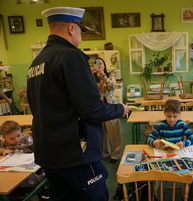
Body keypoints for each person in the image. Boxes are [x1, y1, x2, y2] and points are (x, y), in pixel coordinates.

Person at [26, 7, 131, 201]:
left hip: (49, 153)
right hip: (74, 153)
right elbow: (91, 109)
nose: (81, 37)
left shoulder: (37, 62)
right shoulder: (71, 56)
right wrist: (120, 109)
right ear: (72, 29)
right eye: (81, 31)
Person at [0, 120, 47, 199]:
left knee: (29, 179)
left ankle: (41, 178)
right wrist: (3, 150)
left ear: (21, 131)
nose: (16, 140)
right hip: (12, 166)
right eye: (11, 138)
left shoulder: (27, 138)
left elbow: (37, 150)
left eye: (18, 135)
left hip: (30, 165)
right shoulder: (2, 141)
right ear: (4, 137)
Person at [93, 58, 122, 163]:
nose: (98, 65)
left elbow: (112, 87)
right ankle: (105, 153)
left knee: (113, 131)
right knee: (102, 132)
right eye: (96, 63)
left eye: (100, 63)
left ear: (104, 65)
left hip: (110, 107)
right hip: (99, 107)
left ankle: (116, 154)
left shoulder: (111, 75)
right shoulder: (93, 77)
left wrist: (103, 76)